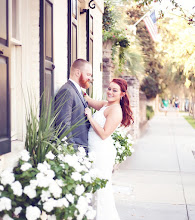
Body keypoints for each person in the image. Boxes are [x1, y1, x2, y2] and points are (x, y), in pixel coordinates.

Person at [84, 78, 134, 220]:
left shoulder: (116, 111)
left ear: (122, 94)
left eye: (115, 90)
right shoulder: (106, 105)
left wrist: (90, 117)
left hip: (101, 153)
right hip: (94, 149)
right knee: (95, 189)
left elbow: (104, 134)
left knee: (100, 191)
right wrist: (83, 83)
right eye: (109, 88)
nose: (110, 92)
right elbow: (88, 99)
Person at [55, 59, 92, 152]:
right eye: (88, 74)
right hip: (76, 150)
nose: (90, 79)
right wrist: (73, 150)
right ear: (77, 72)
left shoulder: (77, 90)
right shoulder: (67, 91)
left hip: (82, 147)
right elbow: (63, 124)